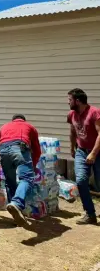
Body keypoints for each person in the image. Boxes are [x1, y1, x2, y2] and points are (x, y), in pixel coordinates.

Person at [0, 114, 41, 227]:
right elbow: (37, 150)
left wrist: (1, 160)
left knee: (10, 182)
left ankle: (16, 212)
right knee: (27, 179)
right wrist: (33, 166)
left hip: (3, 151)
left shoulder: (4, 127)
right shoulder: (30, 127)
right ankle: (17, 203)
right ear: (23, 120)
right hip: (20, 148)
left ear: (13, 120)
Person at [67, 88, 100, 225]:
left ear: (78, 101)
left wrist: (93, 153)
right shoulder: (71, 114)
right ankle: (90, 214)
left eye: (70, 100)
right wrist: (72, 148)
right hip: (81, 151)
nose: (68, 102)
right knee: (80, 181)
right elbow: (73, 131)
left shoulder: (94, 112)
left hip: (97, 151)